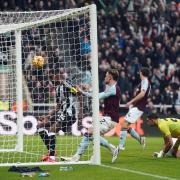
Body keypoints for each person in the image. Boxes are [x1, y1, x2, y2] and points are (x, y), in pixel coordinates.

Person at [61, 68, 121, 162]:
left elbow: (98, 96)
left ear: (110, 77)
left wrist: (83, 92)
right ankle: (76, 157)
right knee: (88, 134)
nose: (104, 77)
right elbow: (98, 94)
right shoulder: (110, 88)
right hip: (106, 117)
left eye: (106, 75)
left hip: (111, 119)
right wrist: (83, 92)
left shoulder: (114, 89)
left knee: (91, 132)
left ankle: (112, 148)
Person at [37, 69, 78, 162]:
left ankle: (51, 158)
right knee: (39, 126)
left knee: (52, 129)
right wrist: (47, 116)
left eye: (52, 77)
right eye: (50, 78)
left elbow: (77, 93)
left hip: (70, 113)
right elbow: (58, 106)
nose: (51, 80)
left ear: (57, 75)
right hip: (61, 113)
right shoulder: (57, 89)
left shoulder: (66, 83)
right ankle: (52, 152)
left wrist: (81, 111)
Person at [112, 67, 151, 163]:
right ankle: (141, 139)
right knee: (126, 126)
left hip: (138, 107)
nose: (139, 74)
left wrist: (131, 101)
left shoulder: (145, 81)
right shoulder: (144, 82)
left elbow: (142, 94)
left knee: (124, 125)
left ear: (141, 73)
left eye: (140, 72)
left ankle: (121, 145)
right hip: (137, 107)